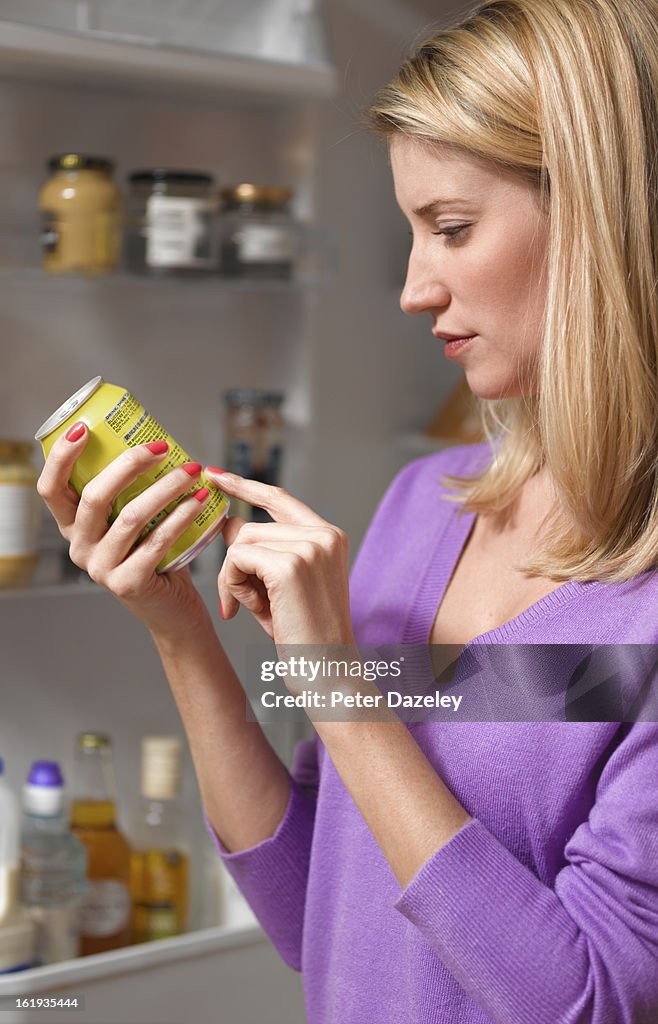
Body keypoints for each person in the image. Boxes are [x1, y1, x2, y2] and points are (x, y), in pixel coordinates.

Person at [36, 0, 658, 1021]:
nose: (413, 287)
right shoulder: (424, 508)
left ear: (603, 216)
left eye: (451, 228)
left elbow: (583, 1000)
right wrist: (180, 624)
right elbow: (311, 913)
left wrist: (333, 682)